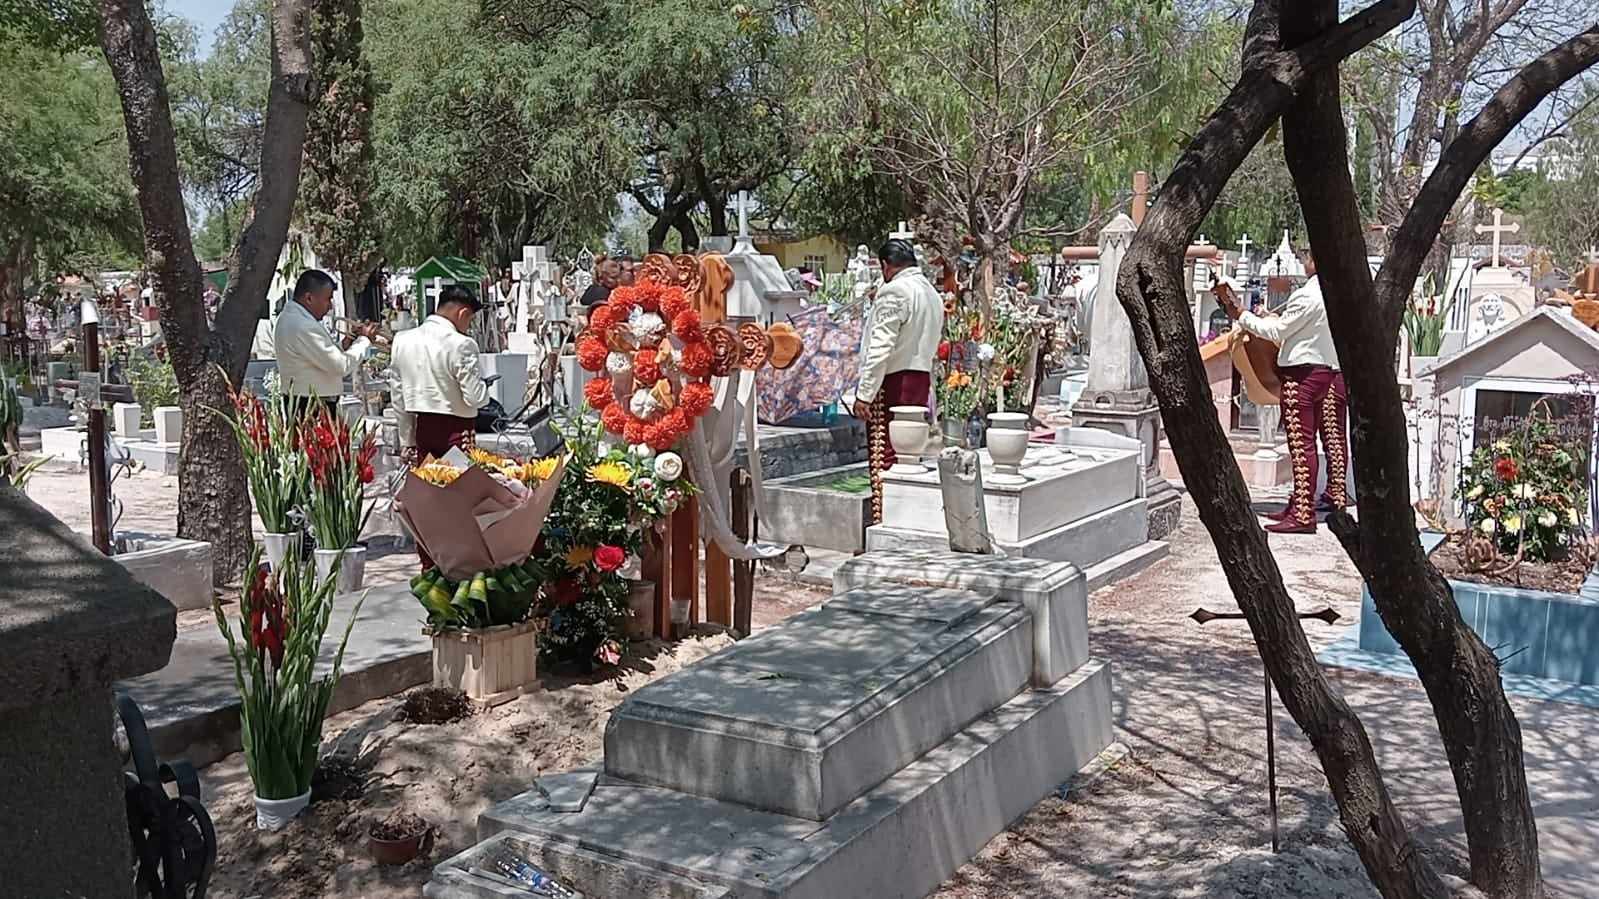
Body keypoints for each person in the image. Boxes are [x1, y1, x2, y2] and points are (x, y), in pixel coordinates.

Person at [1216, 248, 1348, 534]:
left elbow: (1278, 333)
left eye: (1307, 256)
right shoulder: (1334, 292)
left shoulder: (1309, 295)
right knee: (1310, 444)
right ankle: (1301, 503)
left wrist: (1242, 315)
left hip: (1302, 374)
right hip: (1321, 371)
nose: (1304, 261)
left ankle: (1303, 512)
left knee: (1302, 446)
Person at [852, 238, 944, 523]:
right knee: (910, 454)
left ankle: (886, 520)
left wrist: (864, 393)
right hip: (919, 378)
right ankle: (906, 518)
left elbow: (880, 348)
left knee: (886, 455)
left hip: (892, 381)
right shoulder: (930, 292)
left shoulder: (895, 292)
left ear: (885, 266)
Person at [390, 284, 490, 467]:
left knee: (429, 486)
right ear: (463, 313)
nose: (468, 327)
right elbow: (475, 398)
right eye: (470, 320)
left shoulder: (402, 340)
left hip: (423, 429)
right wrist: (484, 389)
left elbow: (398, 396)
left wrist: (407, 439)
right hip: (456, 431)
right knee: (460, 490)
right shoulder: (461, 344)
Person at [275, 269, 372, 415]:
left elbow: (320, 358)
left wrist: (348, 340)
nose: (331, 306)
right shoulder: (303, 325)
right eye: (328, 299)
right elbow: (340, 366)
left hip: (305, 401)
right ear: (309, 298)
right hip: (311, 405)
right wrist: (365, 340)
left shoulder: (291, 318)